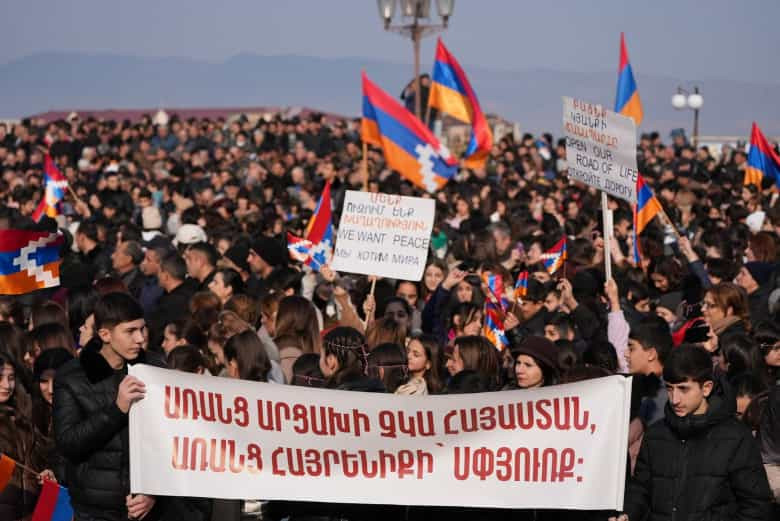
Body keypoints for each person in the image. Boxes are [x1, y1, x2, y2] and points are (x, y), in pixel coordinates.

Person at [612, 345, 772, 521]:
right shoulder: (655, 435)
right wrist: (629, 514)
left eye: (683, 389)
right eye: (669, 388)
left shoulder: (736, 438)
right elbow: (640, 490)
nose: (675, 399)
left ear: (706, 388)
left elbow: (756, 506)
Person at [53, 292, 167, 521]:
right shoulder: (72, 376)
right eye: (130, 331)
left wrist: (154, 492)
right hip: (94, 510)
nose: (140, 339)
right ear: (105, 334)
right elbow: (68, 443)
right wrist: (116, 410)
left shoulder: (154, 367)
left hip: (146, 508)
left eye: (142, 329)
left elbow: (168, 439)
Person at [0, 352, 53, 521]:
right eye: (0, 378)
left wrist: (47, 472)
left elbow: (39, 459)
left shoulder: (22, 416)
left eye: (11, 378)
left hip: (31, 513)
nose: (6, 385)